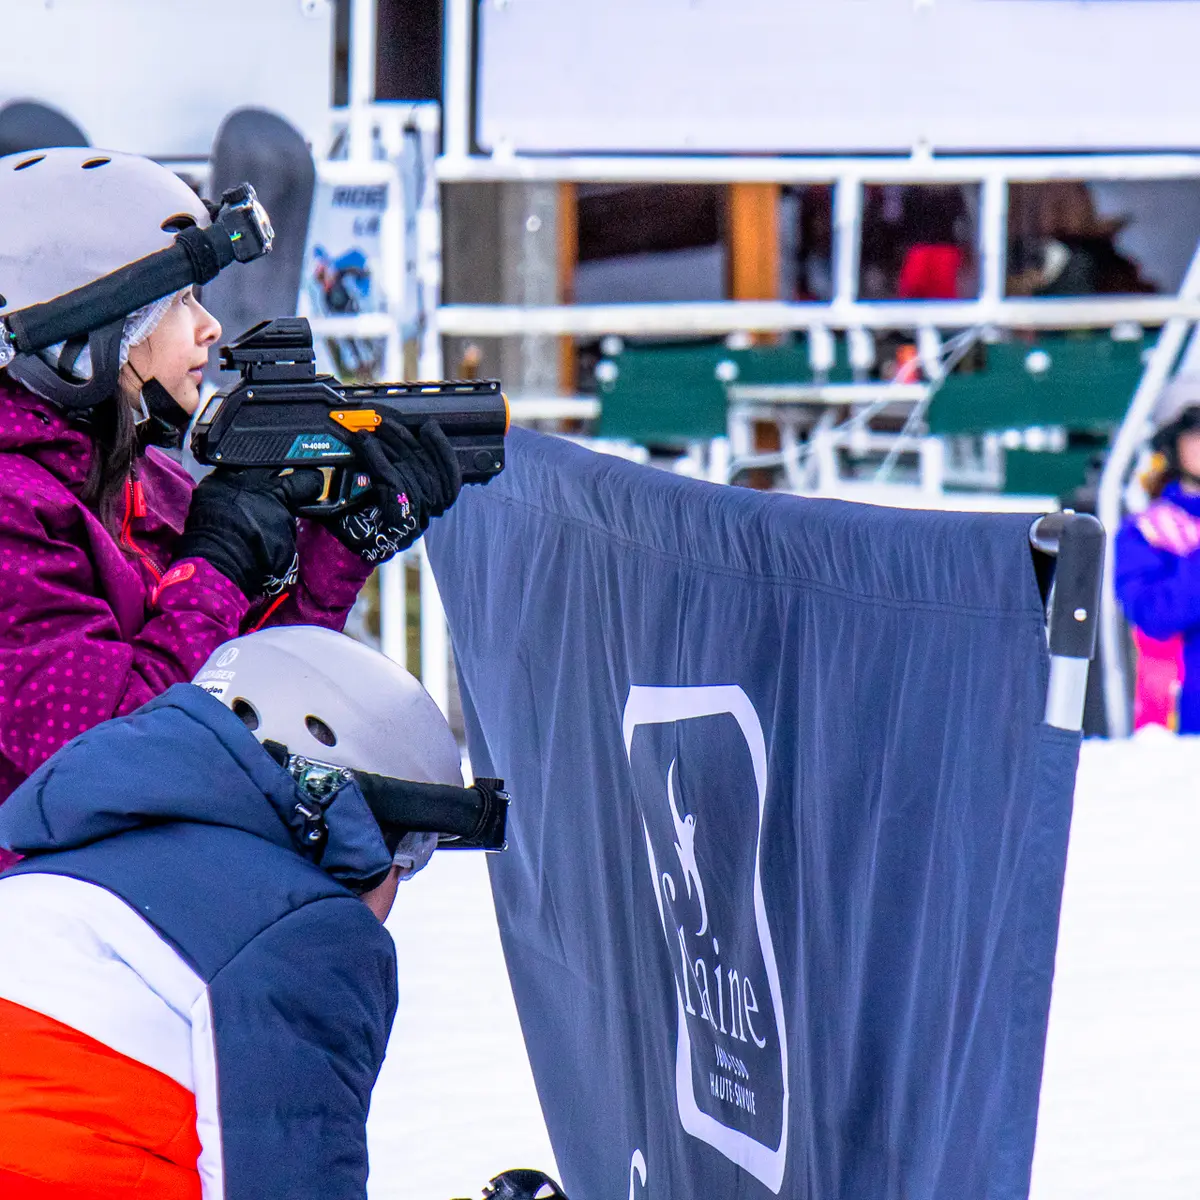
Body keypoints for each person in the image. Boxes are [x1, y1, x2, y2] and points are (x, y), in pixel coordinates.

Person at [0, 148, 461, 861]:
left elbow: (243, 696)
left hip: (138, 881)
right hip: (44, 925)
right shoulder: (14, 514)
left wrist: (337, 550)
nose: (210, 328)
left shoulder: (145, 482)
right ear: (81, 337)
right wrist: (215, 564)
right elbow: (105, 765)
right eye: (180, 302)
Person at [0, 626, 479, 1198]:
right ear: (333, 812)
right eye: (406, 850)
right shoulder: (305, 931)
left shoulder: (44, 877)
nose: (398, 883)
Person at [1115, 374, 1200, 732]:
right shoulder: (1149, 531)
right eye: (1197, 431)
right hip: (1178, 731)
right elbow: (1155, 615)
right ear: (1172, 442)